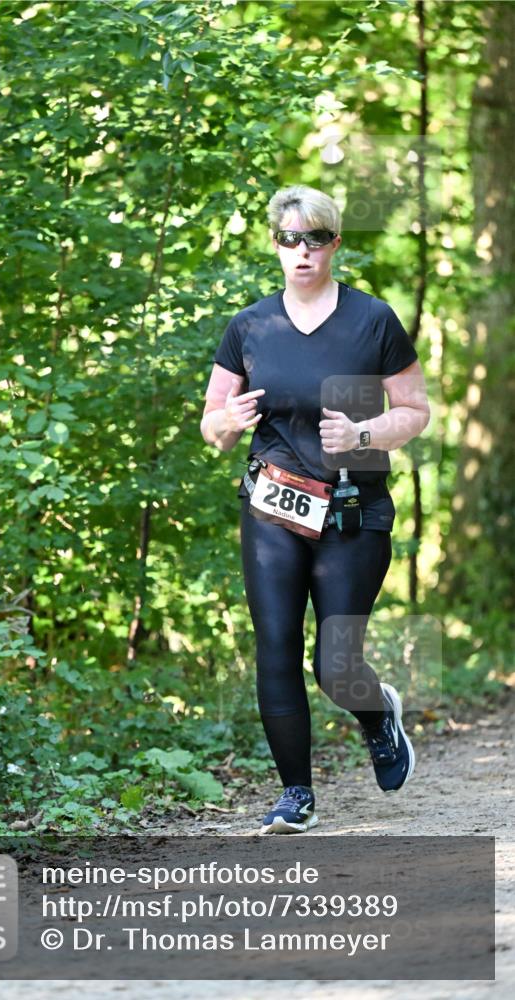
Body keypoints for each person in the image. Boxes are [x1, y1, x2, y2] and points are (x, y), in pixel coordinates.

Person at [200, 184, 431, 834]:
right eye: (287, 239)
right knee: (274, 649)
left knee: (334, 663)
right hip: (273, 505)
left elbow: (415, 411)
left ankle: (375, 712)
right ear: (274, 245)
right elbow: (210, 426)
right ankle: (294, 795)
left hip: (352, 512)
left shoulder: (370, 320)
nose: (301, 252)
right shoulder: (250, 327)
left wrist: (363, 435)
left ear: (333, 243)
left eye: (314, 238)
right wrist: (227, 419)